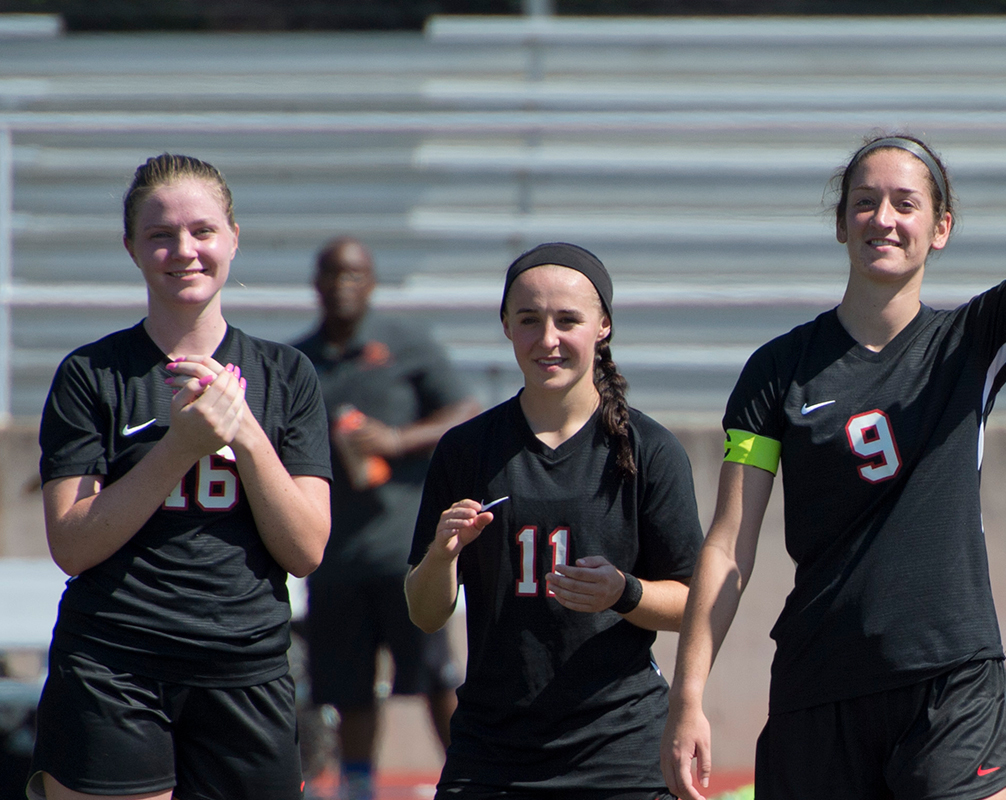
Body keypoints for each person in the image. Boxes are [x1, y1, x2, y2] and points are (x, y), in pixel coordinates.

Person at [663, 21, 1006, 800]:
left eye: (904, 203)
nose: (883, 219)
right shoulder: (776, 372)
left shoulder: (974, 341)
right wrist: (688, 695)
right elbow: (728, 548)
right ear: (840, 223)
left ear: (940, 228)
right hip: (819, 688)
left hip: (950, 683)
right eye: (864, 202)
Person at [32, 153, 332, 799]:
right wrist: (179, 448)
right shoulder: (91, 375)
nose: (183, 250)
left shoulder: (288, 375)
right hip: (115, 663)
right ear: (132, 249)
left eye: (202, 230)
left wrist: (244, 432)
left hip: (247, 667)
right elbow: (73, 545)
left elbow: (306, 551)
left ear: (233, 239)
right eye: (160, 234)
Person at [404, 242, 703, 799]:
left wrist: (625, 592)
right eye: (529, 320)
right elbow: (424, 614)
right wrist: (441, 554)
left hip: (618, 750)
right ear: (506, 327)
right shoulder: (466, 450)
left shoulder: (650, 449)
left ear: (603, 326)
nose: (548, 340)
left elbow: (695, 605)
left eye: (568, 320)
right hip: (492, 751)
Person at [294, 237, 480, 800]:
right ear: (316, 282)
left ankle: (471, 780)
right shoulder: (299, 361)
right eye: (333, 273)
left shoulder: (406, 344)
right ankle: (358, 790)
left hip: (406, 554)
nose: (343, 284)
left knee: (435, 677)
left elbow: (466, 413)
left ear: (372, 282)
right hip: (335, 558)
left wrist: (397, 439)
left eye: (356, 273)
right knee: (347, 690)